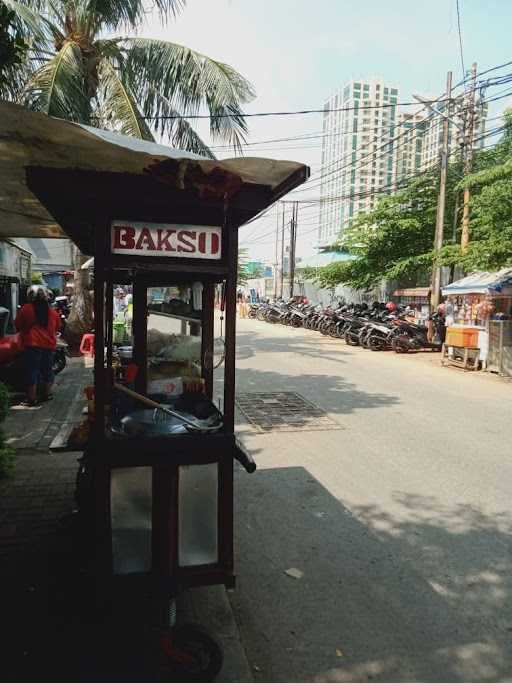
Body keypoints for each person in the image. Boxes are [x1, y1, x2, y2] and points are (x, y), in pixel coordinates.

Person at [15, 286, 61, 406]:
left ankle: (31, 398)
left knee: (32, 370)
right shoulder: (52, 312)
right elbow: (57, 327)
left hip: (32, 344)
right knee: (47, 369)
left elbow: (18, 325)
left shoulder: (26, 309)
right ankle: (47, 394)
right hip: (48, 345)